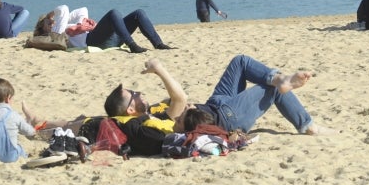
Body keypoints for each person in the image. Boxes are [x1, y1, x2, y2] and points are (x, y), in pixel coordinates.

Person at [102, 55, 321, 156]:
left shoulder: (150, 112)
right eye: (134, 95)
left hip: (214, 104)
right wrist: (159, 69)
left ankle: (279, 79)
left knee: (240, 62)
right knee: (271, 90)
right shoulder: (150, 122)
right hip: (225, 118)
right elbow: (180, 98)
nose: (139, 93)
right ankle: (307, 125)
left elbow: (177, 100)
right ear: (130, 110)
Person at [34, 4, 174, 53]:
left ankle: (159, 44)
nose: (51, 23)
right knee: (114, 13)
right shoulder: (55, 33)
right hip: (93, 41)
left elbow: (82, 10)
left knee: (138, 13)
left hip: (106, 38)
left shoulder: (64, 25)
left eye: (52, 21)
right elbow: (63, 9)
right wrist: (50, 14)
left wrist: (81, 24)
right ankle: (132, 45)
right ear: (43, 29)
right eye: (48, 23)